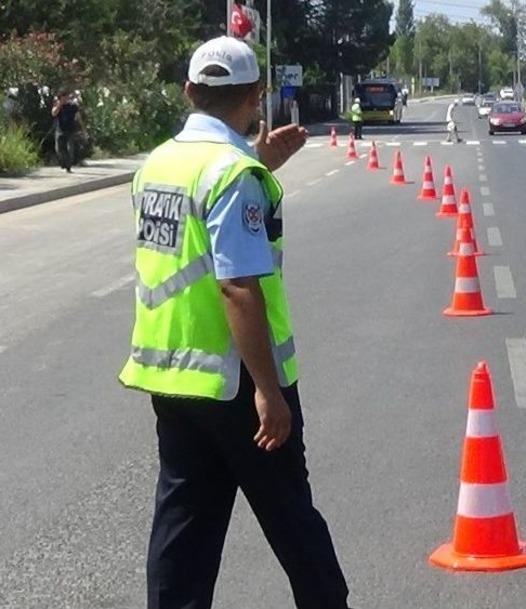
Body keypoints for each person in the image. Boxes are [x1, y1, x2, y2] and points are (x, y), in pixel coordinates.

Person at [117, 36, 349, 609]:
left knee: (183, 532)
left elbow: (191, 239)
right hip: (237, 383)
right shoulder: (231, 174)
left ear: (189, 92)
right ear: (256, 96)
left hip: (173, 379)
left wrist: (259, 162)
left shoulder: (158, 165)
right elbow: (236, 285)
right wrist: (269, 392)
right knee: (295, 525)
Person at [51, 90, 80, 173]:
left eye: (66, 97)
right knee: (59, 149)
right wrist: (59, 105)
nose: (65, 99)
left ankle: (68, 166)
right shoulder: (57, 105)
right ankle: (64, 163)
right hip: (60, 130)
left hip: (70, 130)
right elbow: (53, 113)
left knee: (70, 149)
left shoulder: (72, 106)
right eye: (63, 98)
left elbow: (78, 117)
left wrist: (82, 128)